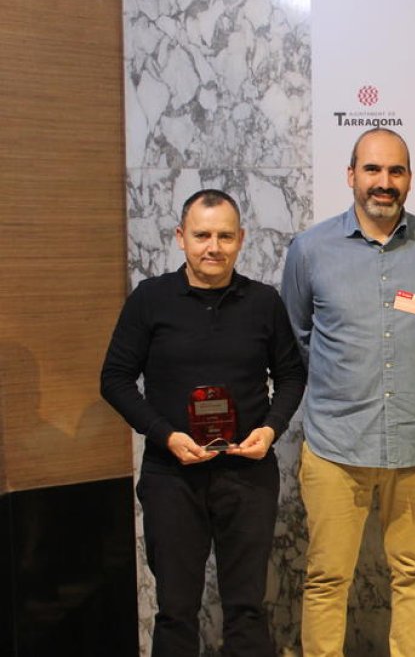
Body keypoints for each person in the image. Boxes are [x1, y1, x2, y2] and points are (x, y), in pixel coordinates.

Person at [281, 128, 415, 656]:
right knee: (326, 579)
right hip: (336, 446)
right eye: (372, 170)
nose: (384, 183)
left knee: (414, 573)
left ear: (408, 179)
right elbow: (298, 337)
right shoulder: (311, 250)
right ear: (351, 176)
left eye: (396, 172)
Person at [100, 189, 306, 656]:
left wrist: (271, 428)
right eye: (202, 235)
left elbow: (292, 374)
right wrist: (165, 435)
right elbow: (114, 379)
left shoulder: (263, 302)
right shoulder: (150, 299)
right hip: (172, 476)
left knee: (247, 608)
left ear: (241, 240)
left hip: (247, 474)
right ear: (180, 238)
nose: (213, 246)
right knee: (175, 610)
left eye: (225, 236)